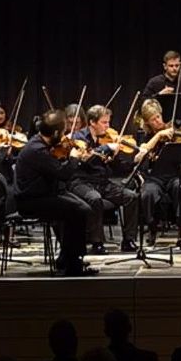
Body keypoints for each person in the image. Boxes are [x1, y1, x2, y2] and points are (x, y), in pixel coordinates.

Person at [12, 109, 96, 276]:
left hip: (45, 194)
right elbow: (63, 174)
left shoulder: (43, 144)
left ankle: (67, 258)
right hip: (31, 200)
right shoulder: (37, 150)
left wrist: (74, 159)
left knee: (83, 208)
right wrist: (73, 158)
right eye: (64, 131)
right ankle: (73, 265)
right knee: (78, 211)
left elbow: (55, 168)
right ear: (56, 132)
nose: (65, 135)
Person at [68, 105, 140, 254]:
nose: (108, 126)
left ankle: (128, 240)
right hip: (81, 182)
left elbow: (118, 168)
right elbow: (86, 157)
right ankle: (97, 242)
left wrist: (135, 161)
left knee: (131, 197)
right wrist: (107, 148)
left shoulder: (105, 139)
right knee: (95, 199)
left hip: (102, 182)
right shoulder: (78, 137)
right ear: (92, 122)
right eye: (104, 122)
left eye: (108, 122)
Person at [133, 99, 181, 246]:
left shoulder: (173, 130)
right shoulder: (145, 136)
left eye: (158, 117)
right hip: (154, 178)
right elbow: (140, 155)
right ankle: (152, 227)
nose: (158, 121)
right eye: (153, 120)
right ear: (147, 123)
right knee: (148, 193)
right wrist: (158, 136)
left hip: (175, 175)